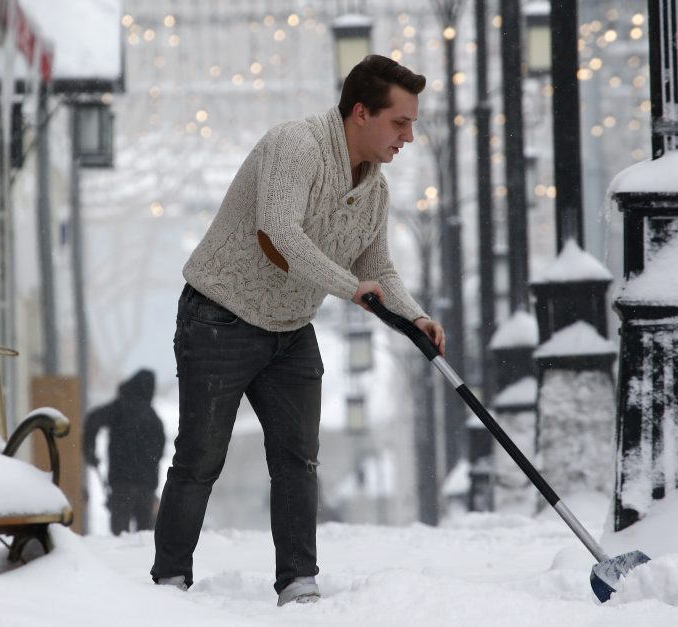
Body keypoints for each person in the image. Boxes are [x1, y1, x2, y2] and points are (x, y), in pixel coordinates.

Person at [150, 55, 445, 606]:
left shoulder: (374, 190)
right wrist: (347, 286)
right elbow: (278, 232)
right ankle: (169, 583)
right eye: (400, 122)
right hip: (220, 317)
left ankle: (297, 581)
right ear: (361, 113)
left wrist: (416, 317)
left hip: (289, 329)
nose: (409, 135)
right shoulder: (296, 146)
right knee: (200, 458)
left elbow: (377, 269)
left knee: (296, 458)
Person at [84, 368, 166, 535]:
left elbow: (93, 420)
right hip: (146, 487)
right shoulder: (153, 418)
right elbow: (159, 450)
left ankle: (120, 561)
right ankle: (143, 562)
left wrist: (90, 451)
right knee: (145, 538)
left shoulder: (120, 407)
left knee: (119, 536)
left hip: (122, 483)